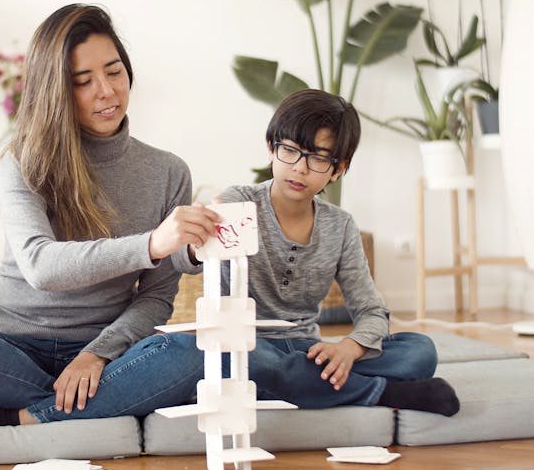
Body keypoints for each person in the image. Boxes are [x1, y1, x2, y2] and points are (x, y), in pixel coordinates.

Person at [0, 4, 219, 426]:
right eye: (83, 81)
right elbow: (41, 267)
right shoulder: (23, 161)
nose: (107, 91)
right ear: (55, 89)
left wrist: (98, 353)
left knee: (194, 353)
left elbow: (156, 298)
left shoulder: (168, 172)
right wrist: (151, 244)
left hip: (106, 353)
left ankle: (21, 417)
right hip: (12, 348)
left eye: (114, 72)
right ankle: (94, 407)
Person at [178, 89, 460, 417]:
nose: (300, 168)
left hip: (309, 351)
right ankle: (379, 393)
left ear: (338, 169)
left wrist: (349, 349)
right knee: (228, 358)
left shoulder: (339, 226)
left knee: (419, 350)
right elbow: (185, 262)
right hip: (250, 347)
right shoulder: (239, 202)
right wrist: (197, 243)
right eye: (291, 151)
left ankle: (310, 383)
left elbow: (372, 310)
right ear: (271, 148)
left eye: (318, 158)